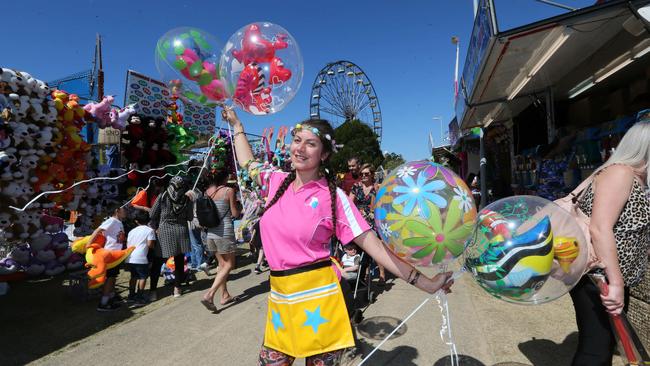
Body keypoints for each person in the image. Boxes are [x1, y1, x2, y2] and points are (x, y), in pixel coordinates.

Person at [223, 108, 453, 365]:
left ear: (324, 154)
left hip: (321, 306)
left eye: (310, 144)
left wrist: (428, 284)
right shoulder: (276, 180)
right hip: (281, 303)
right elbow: (248, 163)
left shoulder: (334, 198)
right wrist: (237, 125)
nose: (300, 148)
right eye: (297, 140)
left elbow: (375, 247)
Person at [571, 112, 650, 366]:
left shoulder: (632, 177)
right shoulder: (621, 174)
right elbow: (600, 228)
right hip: (599, 277)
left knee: (602, 346)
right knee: (596, 349)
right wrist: (615, 282)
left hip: (608, 277)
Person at [199, 170, 242, 312]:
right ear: (224, 178)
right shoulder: (229, 191)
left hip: (210, 233)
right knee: (229, 264)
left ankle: (224, 295)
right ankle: (209, 294)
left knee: (221, 264)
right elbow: (235, 213)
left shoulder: (207, 192)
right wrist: (239, 207)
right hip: (224, 232)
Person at [149, 176, 195, 298]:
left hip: (165, 231)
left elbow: (152, 214)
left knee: (157, 262)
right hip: (181, 230)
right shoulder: (186, 199)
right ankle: (177, 289)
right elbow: (190, 217)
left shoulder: (163, 196)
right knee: (179, 261)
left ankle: (153, 292)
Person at [349, 163, 385, 284]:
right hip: (359, 220)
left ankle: (382, 274)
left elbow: (382, 204)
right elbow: (349, 203)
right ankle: (362, 273)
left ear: (372, 174)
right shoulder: (356, 186)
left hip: (373, 219)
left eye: (366, 174)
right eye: (361, 174)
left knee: (377, 246)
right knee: (359, 247)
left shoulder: (377, 188)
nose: (363, 176)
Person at [87, 206, 127, 312]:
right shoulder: (112, 221)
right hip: (109, 254)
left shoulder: (118, 222)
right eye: (124, 209)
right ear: (117, 211)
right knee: (109, 278)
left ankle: (112, 297)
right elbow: (98, 230)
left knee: (113, 277)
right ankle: (103, 303)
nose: (126, 212)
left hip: (115, 254)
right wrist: (89, 243)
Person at [126, 211, 156, 306]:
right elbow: (150, 245)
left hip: (130, 257)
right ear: (148, 220)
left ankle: (131, 295)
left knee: (133, 276)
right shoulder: (149, 230)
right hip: (141, 257)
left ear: (136, 221)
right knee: (143, 277)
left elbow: (128, 244)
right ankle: (139, 297)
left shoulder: (131, 231)